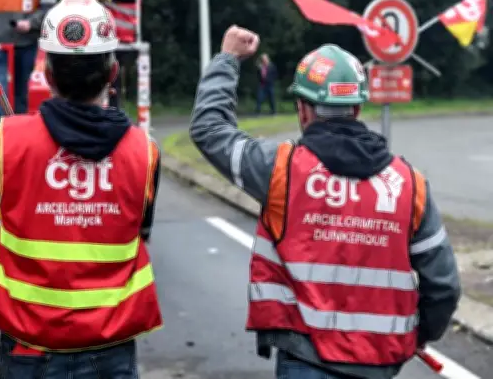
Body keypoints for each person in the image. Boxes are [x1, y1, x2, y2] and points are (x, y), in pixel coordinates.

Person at [189, 26, 461, 379]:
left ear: (302, 109)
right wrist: (419, 334)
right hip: (379, 363)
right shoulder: (410, 185)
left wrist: (227, 59)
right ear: (358, 107)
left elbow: (209, 129)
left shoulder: (280, 170)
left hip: (305, 359)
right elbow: (444, 285)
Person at [0, 0, 162, 378]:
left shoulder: (5, 140)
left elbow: (9, 199)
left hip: (28, 345)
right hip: (110, 350)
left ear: (46, 74)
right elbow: (140, 228)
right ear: (112, 75)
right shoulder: (145, 153)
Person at [78, 0, 143, 109]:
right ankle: (112, 111)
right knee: (113, 83)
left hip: (117, 40)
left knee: (110, 82)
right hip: (117, 39)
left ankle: (111, 112)